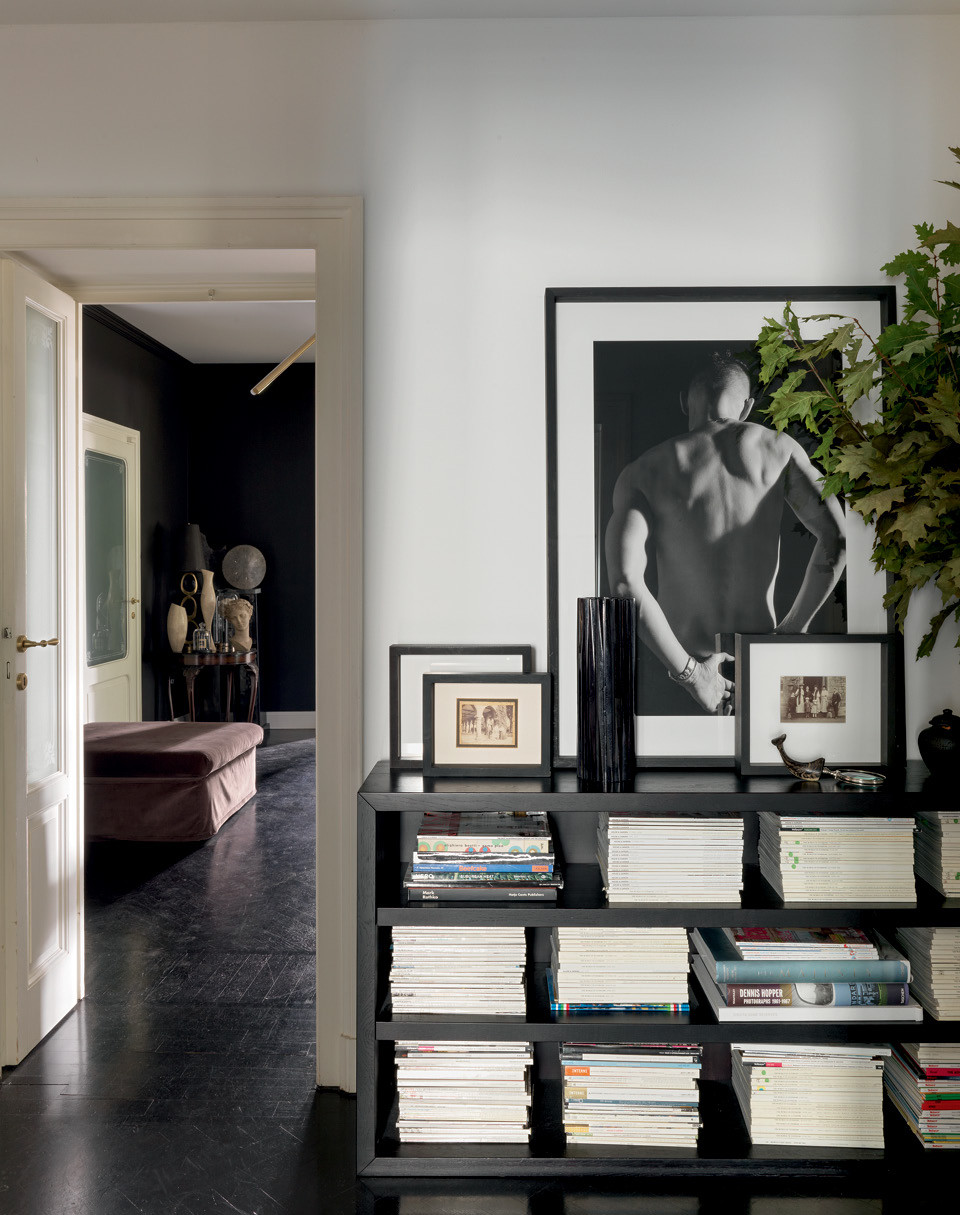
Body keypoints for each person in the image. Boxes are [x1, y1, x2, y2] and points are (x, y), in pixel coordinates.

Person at [604, 354, 846, 715]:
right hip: (761, 661)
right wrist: (792, 631)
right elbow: (837, 539)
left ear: (684, 402)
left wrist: (693, 676)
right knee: (781, 751)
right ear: (747, 406)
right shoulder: (779, 450)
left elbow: (625, 583)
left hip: (679, 669)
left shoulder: (643, 472)